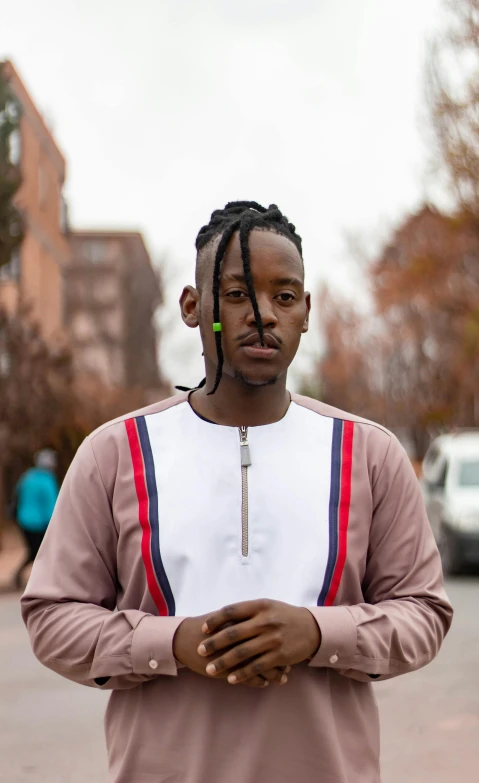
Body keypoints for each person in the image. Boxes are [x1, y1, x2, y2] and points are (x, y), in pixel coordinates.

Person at [22, 201, 453, 783]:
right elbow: (51, 617)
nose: (263, 315)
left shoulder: (369, 455)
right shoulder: (116, 452)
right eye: (236, 294)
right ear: (193, 307)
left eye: (284, 296)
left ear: (306, 312)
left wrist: (319, 633)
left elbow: (423, 613)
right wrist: (171, 643)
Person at [13, 449, 59, 589]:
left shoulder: (27, 476)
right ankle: (39, 580)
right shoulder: (48, 481)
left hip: (23, 520)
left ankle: (28, 577)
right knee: (40, 552)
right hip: (39, 523)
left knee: (35, 551)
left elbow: (17, 494)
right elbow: (51, 505)